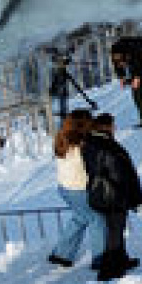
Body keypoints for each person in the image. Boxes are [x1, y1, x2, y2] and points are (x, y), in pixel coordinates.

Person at [82, 112, 142, 281]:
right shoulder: (106, 145)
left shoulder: (92, 142)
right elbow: (119, 173)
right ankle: (109, 269)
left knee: (116, 230)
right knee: (114, 232)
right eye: (112, 125)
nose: (115, 128)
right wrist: (131, 195)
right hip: (112, 195)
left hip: (101, 193)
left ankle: (121, 260)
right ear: (106, 126)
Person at [47, 110, 105, 268]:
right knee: (96, 219)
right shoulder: (82, 145)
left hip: (65, 188)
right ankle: (101, 258)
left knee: (80, 218)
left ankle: (62, 254)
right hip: (79, 189)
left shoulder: (62, 139)